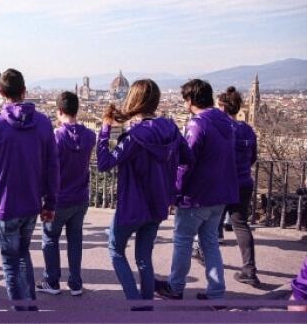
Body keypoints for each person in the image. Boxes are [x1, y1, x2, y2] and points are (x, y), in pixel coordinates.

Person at [97, 79, 189, 309]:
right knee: (144, 258)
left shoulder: (134, 137)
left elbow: (104, 163)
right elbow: (188, 159)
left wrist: (105, 129)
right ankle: (146, 306)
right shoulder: (170, 128)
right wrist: (171, 185)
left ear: (134, 99)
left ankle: (136, 305)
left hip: (132, 205)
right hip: (158, 203)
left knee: (116, 250)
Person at [0, 68, 58, 311]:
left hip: (5, 204)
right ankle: (30, 306)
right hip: (32, 203)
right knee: (23, 255)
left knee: (10, 262)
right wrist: (50, 203)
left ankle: (21, 312)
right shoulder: (43, 122)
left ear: (0, 93)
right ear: (24, 91)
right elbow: (53, 166)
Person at [156, 79, 238, 301]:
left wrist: (174, 193)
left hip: (197, 195)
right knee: (210, 243)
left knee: (183, 240)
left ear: (190, 99)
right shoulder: (228, 123)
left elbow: (185, 163)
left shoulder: (197, 124)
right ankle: (216, 291)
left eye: (184, 99)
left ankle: (175, 287)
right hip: (220, 195)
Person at [39, 92, 94, 297]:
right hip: (81, 198)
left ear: (59, 111)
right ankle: (76, 283)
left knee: (50, 238)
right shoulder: (90, 136)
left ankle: (52, 281)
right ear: (77, 110)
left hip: (56, 199)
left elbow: (47, 170)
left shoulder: (55, 137)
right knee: (75, 240)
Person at [218, 87, 260, 286]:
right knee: (241, 225)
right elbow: (253, 157)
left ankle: (210, 271)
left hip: (222, 182)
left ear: (223, 107)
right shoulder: (248, 129)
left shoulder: (222, 129)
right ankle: (249, 270)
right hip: (244, 182)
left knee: (210, 224)